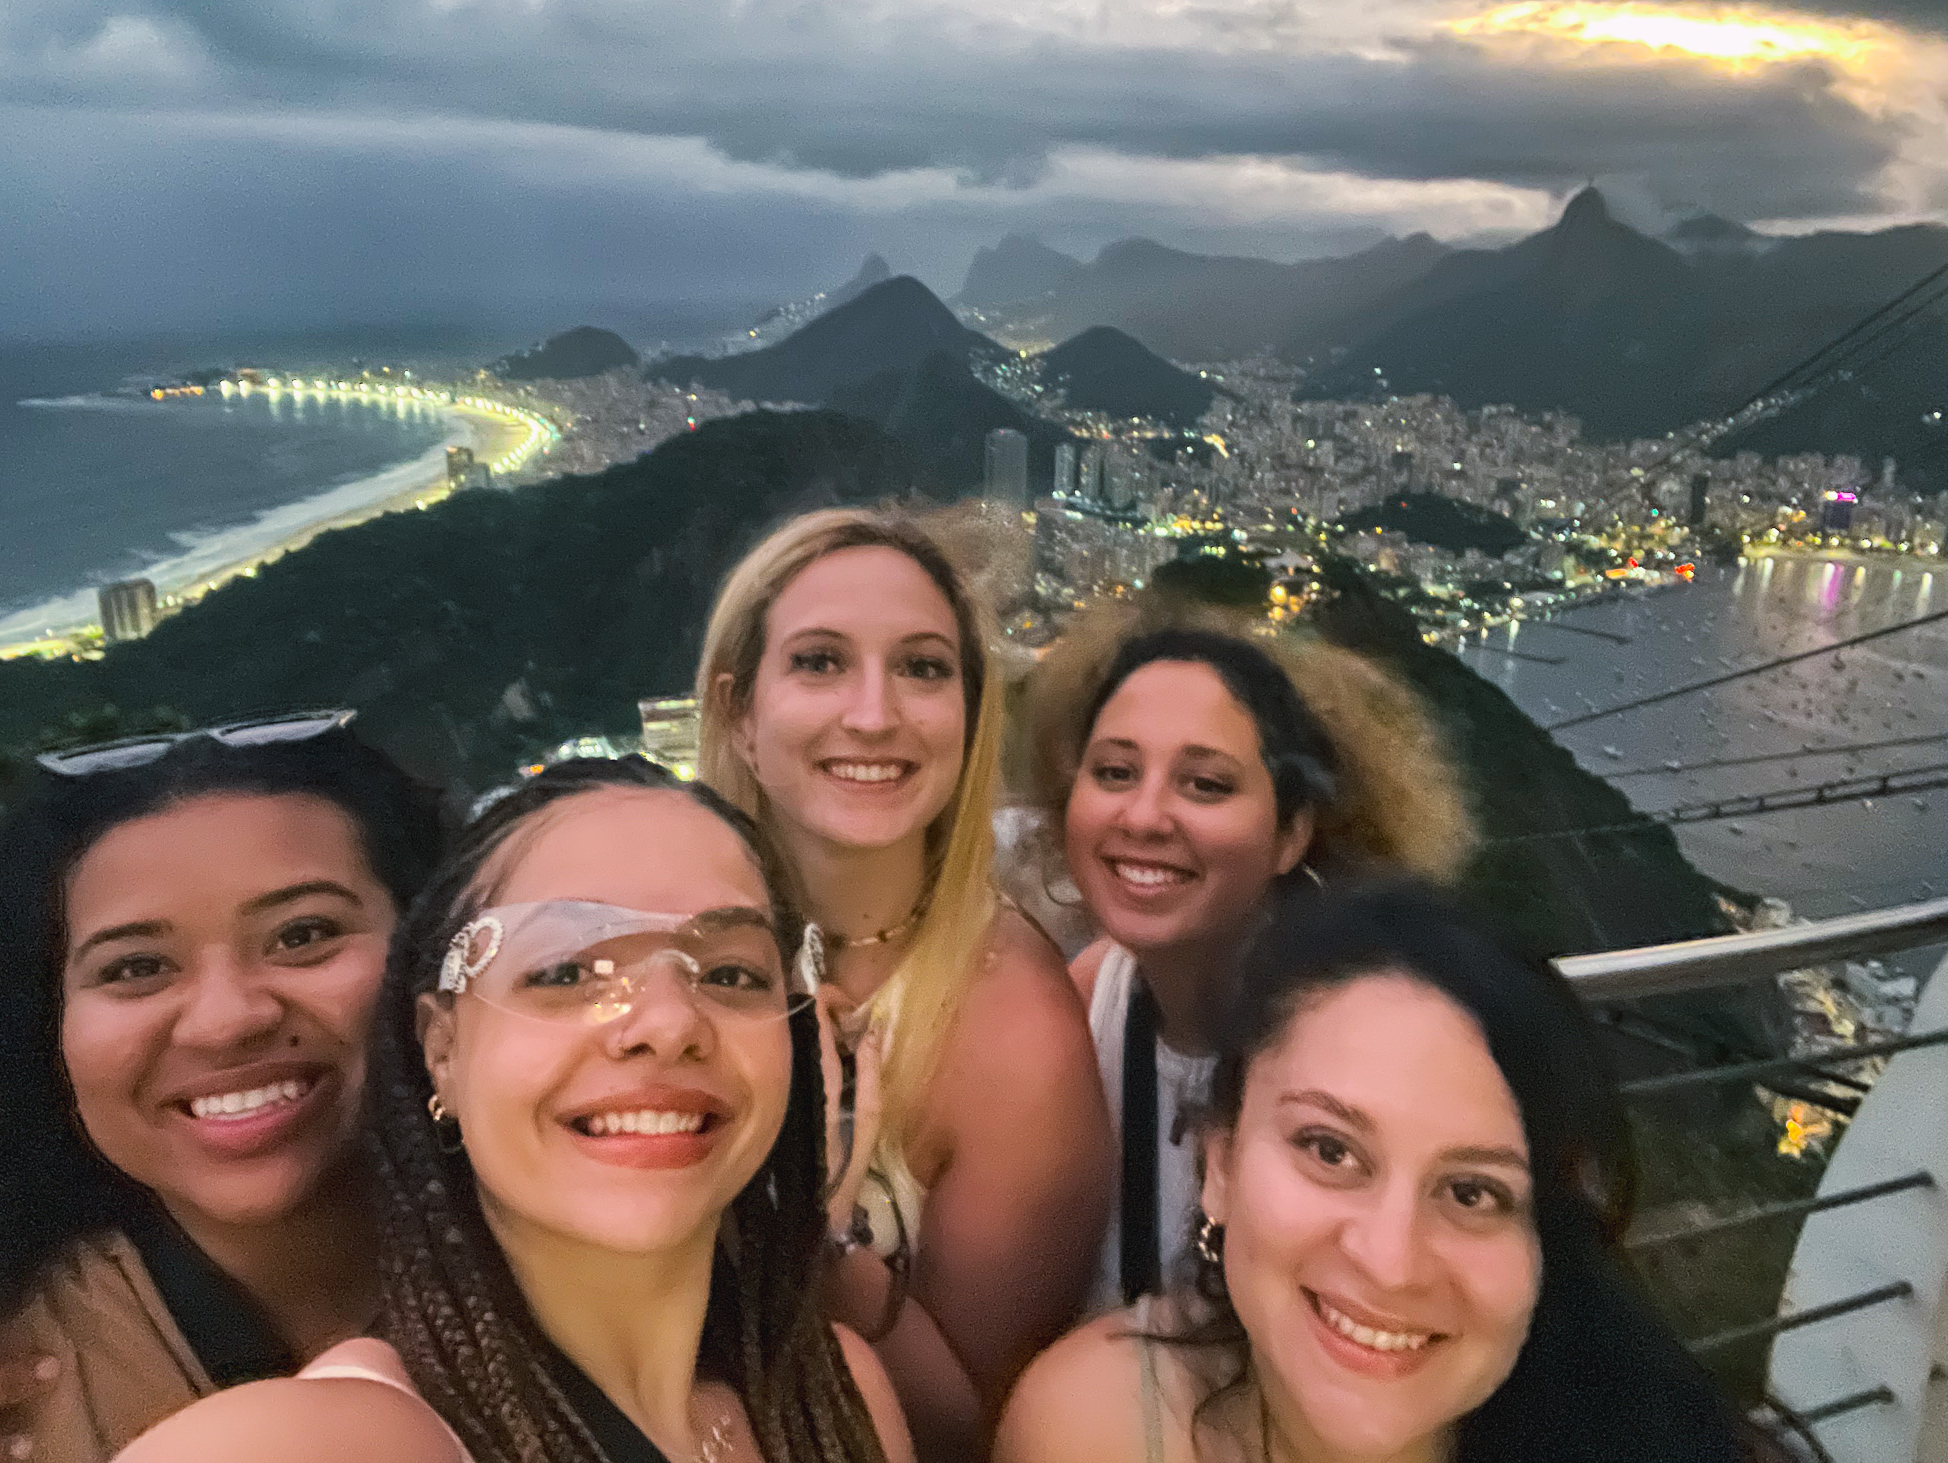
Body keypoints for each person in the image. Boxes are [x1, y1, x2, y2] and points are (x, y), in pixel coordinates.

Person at [117, 757, 912, 1463]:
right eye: (566, 970)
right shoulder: (314, 1444)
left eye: (732, 974)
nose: (668, 1023)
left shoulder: (841, 1397)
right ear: (444, 1052)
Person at [994, 880, 1760, 1463]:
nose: (1389, 1262)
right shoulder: (1092, 1429)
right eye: (1331, 1150)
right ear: (1218, 1162)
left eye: (1471, 1191)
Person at [0, 714, 449, 1463]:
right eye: (135, 967)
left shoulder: (608, 1271)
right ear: (40, 1022)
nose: (226, 1021)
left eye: (302, 934)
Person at [697, 509, 1114, 1460]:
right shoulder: (665, 952)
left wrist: (798, 1220)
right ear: (737, 713)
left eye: (924, 668)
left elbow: (977, 1424)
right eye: (819, 661)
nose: (876, 713)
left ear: (969, 715)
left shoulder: (1010, 1029)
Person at [1015, 603, 1473, 1311]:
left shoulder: (1364, 1050)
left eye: (1206, 784)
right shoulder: (1090, 1004)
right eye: (1113, 772)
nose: (1143, 815)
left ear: (1291, 835)